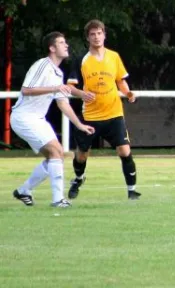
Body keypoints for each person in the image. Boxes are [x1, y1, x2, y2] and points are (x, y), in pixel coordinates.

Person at [11, 32, 95, 207]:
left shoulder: (58, 73)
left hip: (37, 119)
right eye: (62, 42)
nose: (66, 45)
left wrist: (80, 125)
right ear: (52, 48)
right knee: (56, 152)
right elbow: (26, 90)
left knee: (55, 156)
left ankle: (24, 191)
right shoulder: (43, 64)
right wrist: (55, 87)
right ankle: (58, 200)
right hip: (23, 118)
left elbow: (63, 104)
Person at [66, 19, 140, 200]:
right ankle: (78, 178)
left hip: (114, 113)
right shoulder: (81, 60)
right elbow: (70, 87)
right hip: (90, 115)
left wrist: (128, 93)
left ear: (104, 35)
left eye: (99, 33)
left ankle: (132, 190)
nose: (96, 37)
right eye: (92, 34)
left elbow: (120, 81)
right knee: (82, 154)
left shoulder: (114, 56)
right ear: (88, 38)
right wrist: (81, 94)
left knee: (124, 150)